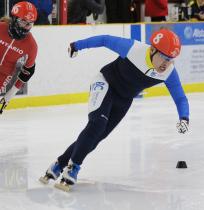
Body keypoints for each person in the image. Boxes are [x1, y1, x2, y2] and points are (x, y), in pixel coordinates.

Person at [40, 29, 189, 190]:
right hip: (106, 83)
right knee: (97, 125)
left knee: (97, 137)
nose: (166, 64)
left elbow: (180, 97)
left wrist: (184, 117)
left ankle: (58, 164)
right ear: (152, 50)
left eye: (171, 59)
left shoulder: (169, 72)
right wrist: (76, 46)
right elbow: (105, 39)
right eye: (164, 57)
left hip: (124, 100)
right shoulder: (133, 48)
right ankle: (73, 168)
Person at [0, 1, 38, 114]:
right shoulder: (1, 27)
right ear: (14, 19)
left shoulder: (31, 45)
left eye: (29, 24)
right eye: (23, 22)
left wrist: (9, 96)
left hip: (3, 75)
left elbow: (28, 71)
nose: (26, 27)